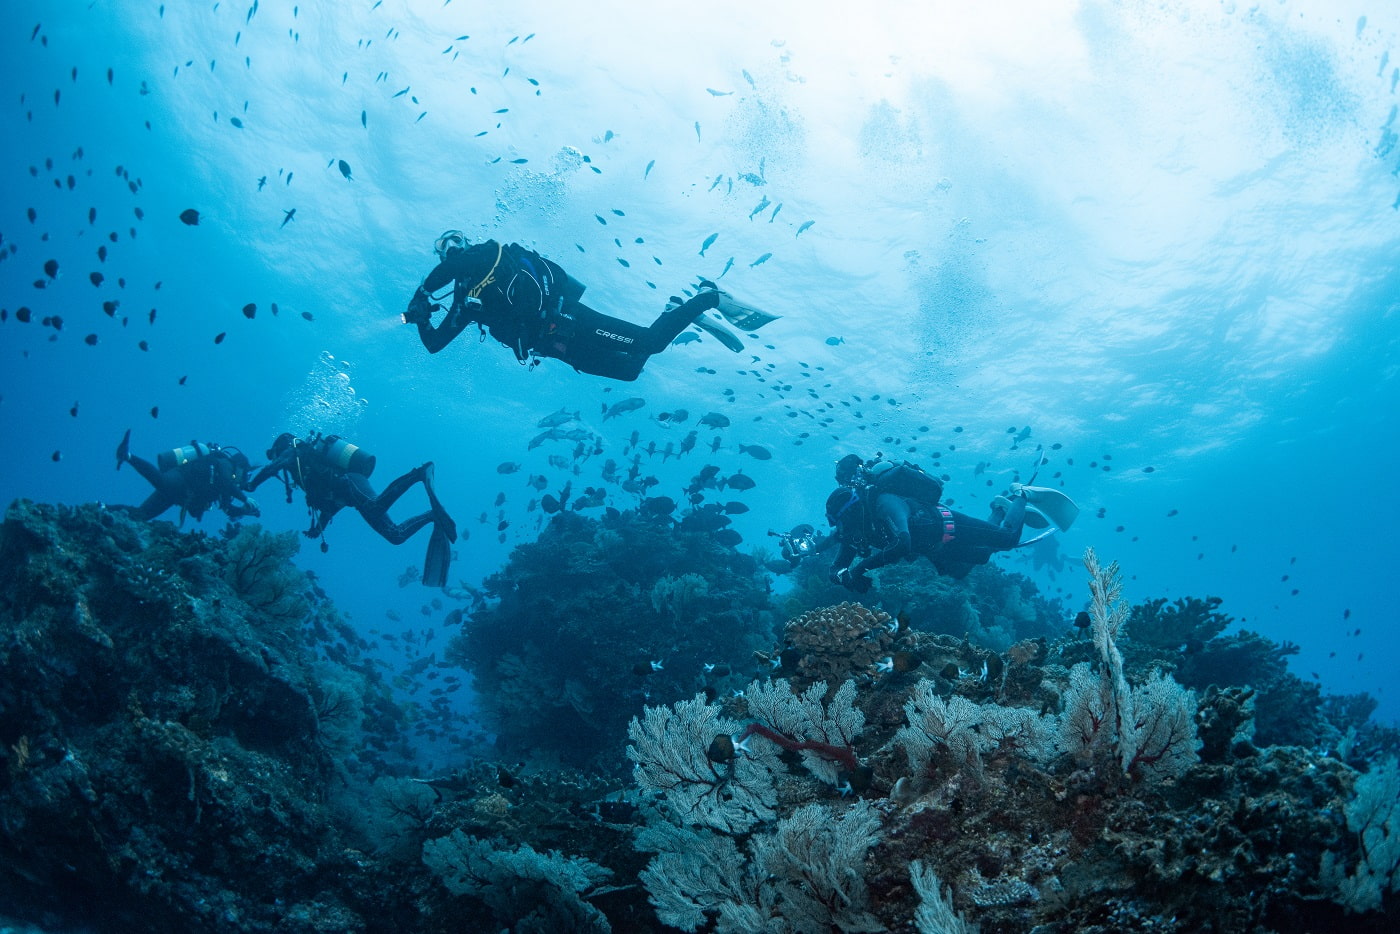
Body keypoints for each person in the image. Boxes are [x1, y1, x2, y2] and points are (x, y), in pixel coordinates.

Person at [402, 231, 776, 381]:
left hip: (569, 321)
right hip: (552, 347)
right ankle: (677, 308)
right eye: (442, 247)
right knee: (630, 372)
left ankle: (709, 296)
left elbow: (452, 267)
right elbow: (435, 344)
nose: (449, 249)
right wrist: (420, 318)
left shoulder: (487, 254)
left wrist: (421, 290)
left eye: (453, 243)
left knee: (651, 344)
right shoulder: (465, 302)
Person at [247, 432, 458, 587]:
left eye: (275, 455)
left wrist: (251, 486)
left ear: (280, 447)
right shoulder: (306, 470)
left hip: (351, 482)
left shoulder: (294, 451)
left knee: (375, 509)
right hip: (349, 493)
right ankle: (432, 515)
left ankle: (418, 474)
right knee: (395, 536)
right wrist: (319, 528)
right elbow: (331, 505)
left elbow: (272, 468)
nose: (277, 461)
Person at [824, 483, 1031, 591]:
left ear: (851, 512)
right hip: (936, 547)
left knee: (1008, 539)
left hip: (947, 523)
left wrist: (860, 569)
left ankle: (1022, 494)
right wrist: (846, 578)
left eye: (841, 522)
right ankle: (999, 510)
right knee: (980, 558)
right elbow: (837, 567)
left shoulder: (885, 503)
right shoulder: (858, 528)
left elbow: (903, 544)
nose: (842, 529)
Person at [114, 430, 260, 523]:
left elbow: (227, 509)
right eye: (246, 474)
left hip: (179, 496)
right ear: (240, 466)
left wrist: (244, 510)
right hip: (181, 479)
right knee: (161, 481)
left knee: (141, 515)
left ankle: (103, 508)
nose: (244, 480)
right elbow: (224, 482)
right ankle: (128, 456)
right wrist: (245, 498)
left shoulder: (228, 488)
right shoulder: (225, 464)